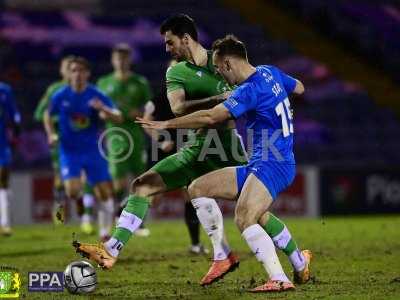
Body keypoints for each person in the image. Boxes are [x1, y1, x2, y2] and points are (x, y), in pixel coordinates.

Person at [73, 14, 247, 285]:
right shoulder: (175, 71)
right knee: (142, 186)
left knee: (253, 210)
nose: (167, 48)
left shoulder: (222, 59)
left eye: (170, 42)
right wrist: (216, 100)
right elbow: (177, 108)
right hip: (198, 145)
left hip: (227, 145)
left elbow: (250, 86)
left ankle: (295, 258)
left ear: (186, 38)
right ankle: (110, 250)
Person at [136, 34, 312, 292]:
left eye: (218, 68)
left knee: (244, 216)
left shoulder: (249, 90)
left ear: (228, 64)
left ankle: (279, 278)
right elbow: (299, 87)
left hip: (273, 164)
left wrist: (167, 124)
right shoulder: (269, 72)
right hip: (261, 162)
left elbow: (210, 117)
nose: (220, 74)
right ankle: (299, 262)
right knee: (198, 188)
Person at [44, 56, 123, 241]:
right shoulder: (60, 95)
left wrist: (103, 108)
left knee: (104, 192)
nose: (77, 74)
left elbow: (118, 117)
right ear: (69, 74)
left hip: (92, 150)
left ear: (87, 73)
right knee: (72, 191)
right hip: (69, 151)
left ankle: (104, 233)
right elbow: (48, 114)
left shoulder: (96, 94)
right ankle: (80, 199)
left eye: (81, 70)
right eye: (74, 70)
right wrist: (51, 134)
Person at [35, 56, 95, 232]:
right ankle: (61, 207)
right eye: (69, 68)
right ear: (63, 71)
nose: (73, 72)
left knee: (86, 176)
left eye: (76, 68)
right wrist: (58, 123)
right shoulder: (55, 90)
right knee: (61, 180)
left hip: (84, 141)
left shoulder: (86, 90)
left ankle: (86, 217)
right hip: (63, 141)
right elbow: (41, 114)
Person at [0, 82, 21, 236]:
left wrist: (16, 128)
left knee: (3, 179)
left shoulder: (5, 90)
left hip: (1, 142)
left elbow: (14, 113)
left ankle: (5, 223)